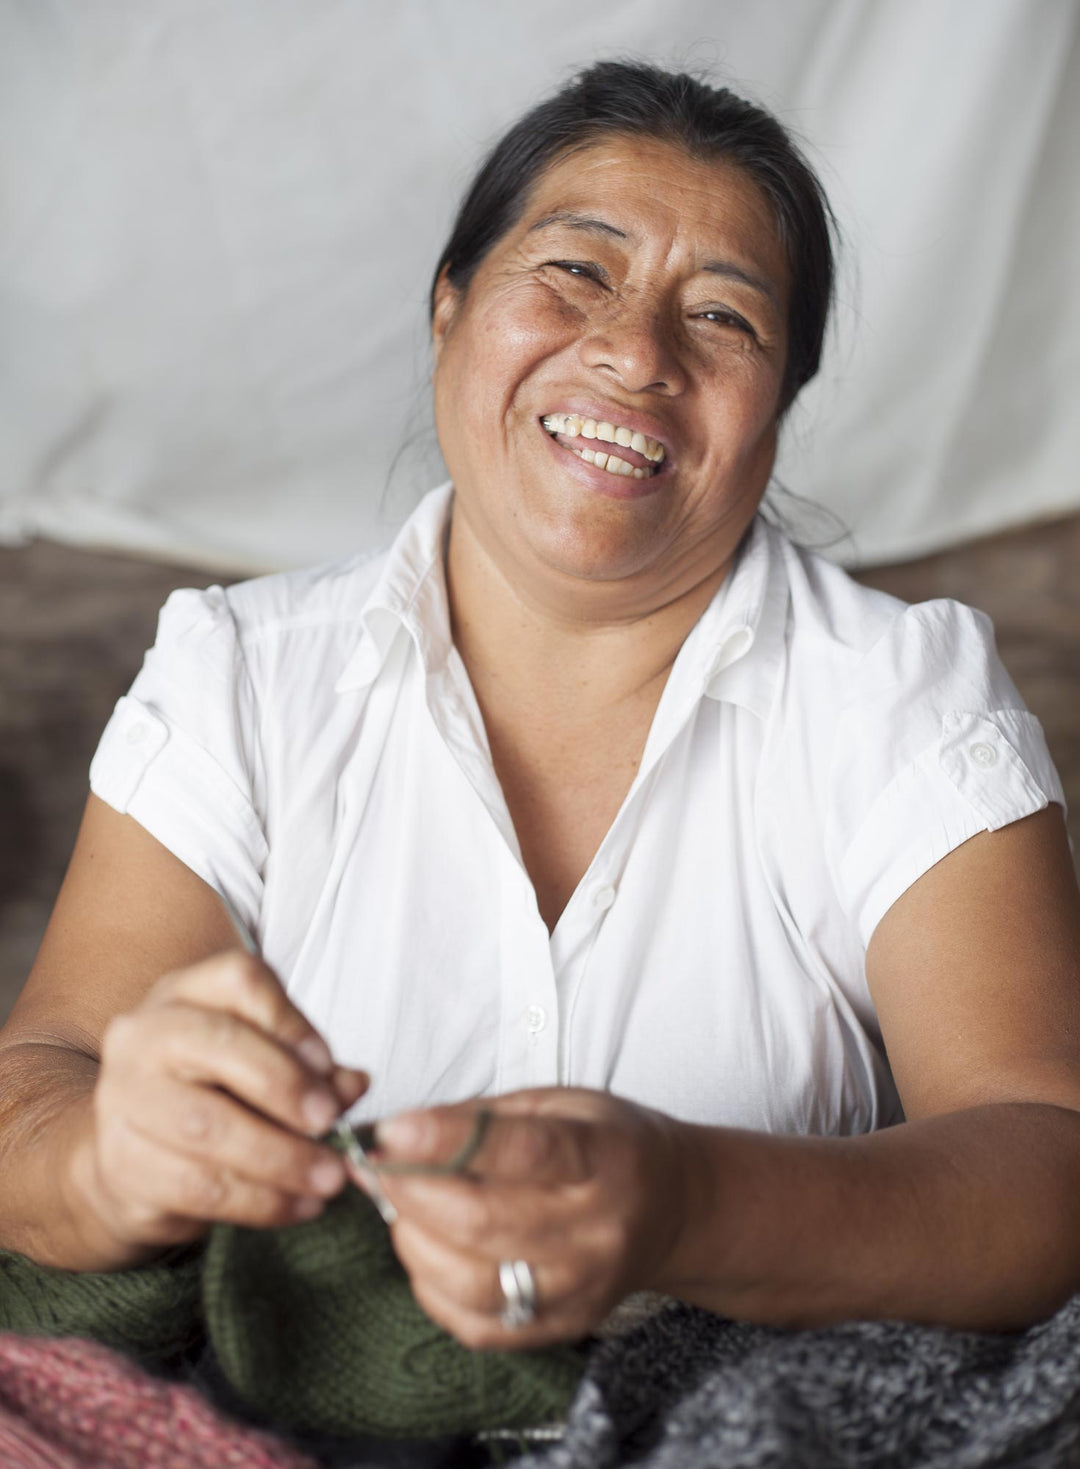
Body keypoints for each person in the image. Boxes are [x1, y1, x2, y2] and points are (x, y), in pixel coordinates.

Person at [2, 60, 1079, 1353]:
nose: (634, 355)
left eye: (727, 318)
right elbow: (35, 1085)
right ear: (449, 308)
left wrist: (684, 1201)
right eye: (576, 270)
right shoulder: (237, 671)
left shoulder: (906, 698)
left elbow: (1046, 1162)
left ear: (776, 421)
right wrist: (114, 1158)